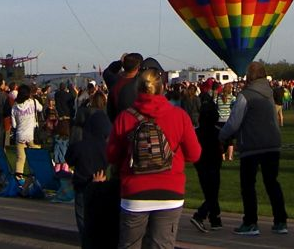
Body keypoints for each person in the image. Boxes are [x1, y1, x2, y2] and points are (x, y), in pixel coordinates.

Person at [106, 66, 201, 249]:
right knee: (162, 245)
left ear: (137, 89)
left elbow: (112, 155)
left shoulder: (125, 118)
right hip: (169, 191)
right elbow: (195, 154)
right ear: (162, 87)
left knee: (129, 244)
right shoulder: (179, 116)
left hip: (135, 191)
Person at [220, 61, 288, 236]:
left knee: (248, 185)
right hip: (272, 144)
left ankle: (251, 222)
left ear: (249, 76)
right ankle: (280, 221)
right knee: (272, 183)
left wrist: (220, 136)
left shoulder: (245, 95)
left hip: (252, 145)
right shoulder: (269, 93)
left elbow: (234, 122)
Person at [66, 90, 115, 249]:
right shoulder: (107, 148)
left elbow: (69, 158)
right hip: (101, 183)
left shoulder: (80, 145)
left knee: (83, 222)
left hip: (82, 184)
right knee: (99, 221)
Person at [189, 79, 224, 233]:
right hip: (213, 164)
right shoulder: (217, 132)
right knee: (213, 192)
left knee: (209, 191)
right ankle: (200, 215)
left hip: (201, 164)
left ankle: (215, 219)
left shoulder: (196, 132)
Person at [11, 82, 44, 176]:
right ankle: (34, 176)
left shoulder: (15, 107)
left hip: (20, 135)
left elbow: (14, 125)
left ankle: (18, 179)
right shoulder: (32, 102)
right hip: (32, 134)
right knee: (35, 158)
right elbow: (41, 109)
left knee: (20, 159)